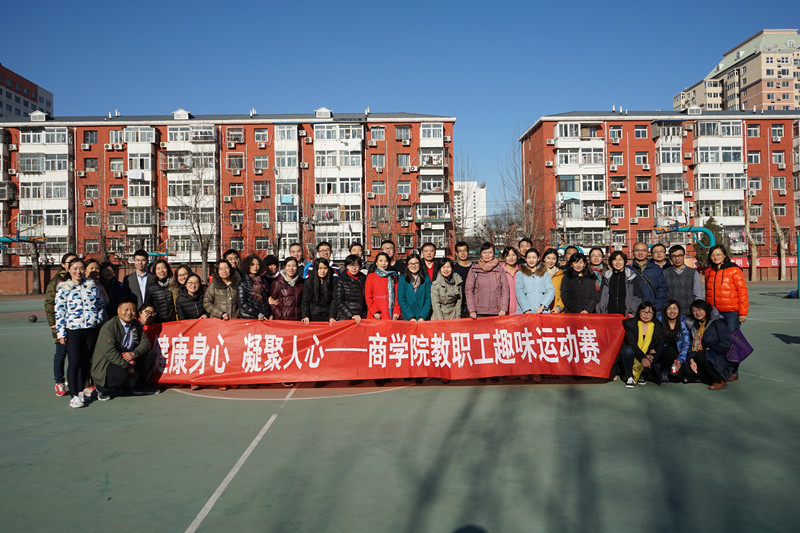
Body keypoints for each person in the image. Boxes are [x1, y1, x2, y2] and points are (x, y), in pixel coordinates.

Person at [55, 257, 105, 408]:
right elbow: (60, 312)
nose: (78, 271)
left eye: (81, 268)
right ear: (69, 270)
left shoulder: (92, 287)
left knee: (85, 363)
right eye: (75, 268)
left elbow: (100, 305)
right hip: (73, 330)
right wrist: (61, 333)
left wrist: (97, 319)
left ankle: (81, 391)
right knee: (74, 363)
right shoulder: (64, 288)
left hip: (90, 330)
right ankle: (74, 395)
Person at [90, 297, 156, 400]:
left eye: (133, 310)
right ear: (118, 310)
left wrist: (134, 353)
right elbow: (110, 352)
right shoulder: (109, 327)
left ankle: (139, 387)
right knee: (121, 374)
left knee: (150, 355)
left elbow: (146, 342)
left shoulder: (136, 324)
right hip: (109, 362)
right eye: (126, 310)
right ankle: (102, 388)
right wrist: (127, 366)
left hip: (129, 357)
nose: (129, 313)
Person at [704, 244, 748, 381]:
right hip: (714, 313)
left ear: (724, 255)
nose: (715, 257)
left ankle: (734, 370)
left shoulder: (734, 270)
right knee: (716, 340)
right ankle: (720, 368)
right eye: (713, 255)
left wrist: (742, 312)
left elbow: (742, 291)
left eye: (718, 254)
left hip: (731, 312)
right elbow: (707, 292)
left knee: (732, 342)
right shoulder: (708, 271)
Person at [45, 252, 77, 396]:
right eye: (69, 262)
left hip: (75, 324)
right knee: (61, 352)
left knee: (74, 353)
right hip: (61, 324)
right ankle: (59, 381)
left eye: (75, 261)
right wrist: (53, 323)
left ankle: (72, 379)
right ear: (63, 265)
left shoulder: (79, 279)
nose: (72, 264)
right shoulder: (57, 281)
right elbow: (49, 302)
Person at [686, 299, 733, 390]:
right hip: (699, 355)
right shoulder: (695, 325)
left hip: (717, 356)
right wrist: (691, 359)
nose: (697, 313)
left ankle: (719, 380)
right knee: (685, 372)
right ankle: (706, 376)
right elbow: (690, 344)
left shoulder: (717, 322)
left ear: (706, 309)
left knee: (700, 355)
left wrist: (710, 349)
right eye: (694, 311)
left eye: (699, 310)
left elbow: (726, 344)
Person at [618, 302, 666, 388]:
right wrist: (643, 357)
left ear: (653, 314)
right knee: (627, 350)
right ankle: (630, 377)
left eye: (649, 312)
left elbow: (660, 346)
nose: (646, 315)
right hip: (633, 355)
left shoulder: (658, 327)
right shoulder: (631, 324)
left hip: (647, 356)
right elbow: (632, 344)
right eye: (643, 311)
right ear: (638, 312)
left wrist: (652, 356)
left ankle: (642, 375)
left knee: (657, 366)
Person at [465, 242, 509, 319]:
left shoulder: (499, 269)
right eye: (485, 252)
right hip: (478, 312)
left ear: (493, 254)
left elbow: (505, 289)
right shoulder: (474, 269)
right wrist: (472, 310)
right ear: (481, 254)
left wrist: (503, 309)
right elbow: (469, 290)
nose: (487, 255)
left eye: (490, 252)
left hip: (497, 311)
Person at [656, 300, 694, 384]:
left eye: (675, 309)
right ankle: (663, 372)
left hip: (677, 354)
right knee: (668, 352)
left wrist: (680, 359)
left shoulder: (683, 322)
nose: (672, 311)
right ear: (665, 310)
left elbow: (686, 343)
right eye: (669, 309)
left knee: (677, 377)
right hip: (661, 352)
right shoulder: (658, 320)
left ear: (679, 310)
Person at [597, 251, 643, 317]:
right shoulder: (606, 277)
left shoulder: (632, 277)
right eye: (615, 260)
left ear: (624, 261)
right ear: (611, 262)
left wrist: (632, 312)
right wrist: (601, 311)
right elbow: (601, 296)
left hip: (627, 315)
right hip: (608, 314)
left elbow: (637, 296)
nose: (618, 262)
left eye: (620, 259)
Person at [663, 245, 704, 317]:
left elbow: (698, 295)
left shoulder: (693, 273)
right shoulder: (665, 273)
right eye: (674, 256)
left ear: (684, 256)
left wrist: (697, 311)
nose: (677, 258)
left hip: (689, 312)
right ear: (670, 258)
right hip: (671, 313)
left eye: (680, 255)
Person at [628, 241, 668, 310]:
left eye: (643, 250)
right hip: (632, 310)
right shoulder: (628, 269)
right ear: (633, 252)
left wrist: (656, 308)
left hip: (652, 309)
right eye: (637, 250)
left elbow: (662, 290)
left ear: (648, 252)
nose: (640, 253)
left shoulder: (656, 269)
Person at [515, 248, 555, 314]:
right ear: (525, 259)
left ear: (538, 258)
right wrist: (526, 309)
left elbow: (551, 290)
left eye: (534, 257)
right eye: (529, 257)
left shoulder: (544, 273)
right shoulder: (520, 273)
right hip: (524, 311)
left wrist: (542, 306)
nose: (531, 260)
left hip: (542, 311)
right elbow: (519, 292)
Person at [365, 252, 402, 320]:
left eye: (386, 261)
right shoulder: (371, 277)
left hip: (391, 314)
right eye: (381, 261)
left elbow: (398, 295)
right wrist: (374, 311)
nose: (383, 263)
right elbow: (368, 296)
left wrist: (397, 311)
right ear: (376, 263)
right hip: (377, 314)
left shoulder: (393, 276)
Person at [301, 258, 337, 325]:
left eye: (325, 268)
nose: (322, 271)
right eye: (320, 268)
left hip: (328, 315)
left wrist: (332, 316)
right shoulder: (309, 282)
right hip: (312, 315)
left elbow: (334, 300)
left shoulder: (333, 282)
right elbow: (305, 301)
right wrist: (305, 315)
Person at [332, 254, 367, 323]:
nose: (354, 268)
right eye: (351, 265)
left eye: (356, 266)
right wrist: (351, 315)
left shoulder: (364, 279)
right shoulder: (341, 280)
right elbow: (339, 301)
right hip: (345, 317)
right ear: (347, 266)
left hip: (361, 317)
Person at [397, 254, 432, 322]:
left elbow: (429, 299)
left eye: (416, 263)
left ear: (420, 264)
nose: (413, 266)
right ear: (407, 265)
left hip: (423, 318)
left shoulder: (426, 279)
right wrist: (410, 317)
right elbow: (401, 299)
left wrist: (423, 316)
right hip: (407, 318)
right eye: (411, 263)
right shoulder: (402, 279)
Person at [238, 255, 270, 320]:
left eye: (257, 265)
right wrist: (258, 314)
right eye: (252, 265)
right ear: (247, 266)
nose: (255, 267)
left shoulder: (263, 281)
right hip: (249, 318)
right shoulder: (243, 282)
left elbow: (267, 299)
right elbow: (242, 303)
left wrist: (270, 314)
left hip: (264, 317)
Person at [453, 241, 473, 318]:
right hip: (459, 305)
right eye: (460, 251)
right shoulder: (454, 269)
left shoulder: (475, 267)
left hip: (473, 304)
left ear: (468, 252)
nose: (463, 253)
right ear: (456, 253)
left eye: (464, 250)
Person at [542, 248, 564, 313]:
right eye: (548, 258)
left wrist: (559, 307)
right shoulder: (538, 274)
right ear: (544, 259)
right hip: (541, 310)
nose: (551, 261)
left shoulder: (560, 275)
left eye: (554, 259)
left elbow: (564, 294)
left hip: (556, 310)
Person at [500, 246, 520, 315]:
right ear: (504, 257)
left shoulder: (521, 271)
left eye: (513, 255)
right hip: (504, 311)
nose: (511, 258)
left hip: (520, 310)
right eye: (508, 255)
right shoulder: (500, 272)